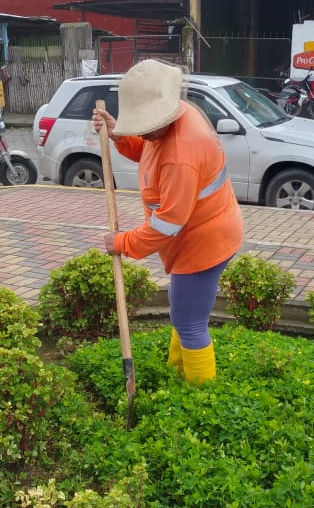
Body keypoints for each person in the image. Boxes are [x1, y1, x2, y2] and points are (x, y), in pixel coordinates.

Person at [91, 59, 244, 384]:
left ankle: (200, 394)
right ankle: (178, 372)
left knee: (190, 321)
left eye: (143, 126)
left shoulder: (181, 154)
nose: (141, 132)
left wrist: (122, 243)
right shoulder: (177, 115)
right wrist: (119, 136)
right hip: (205, 233)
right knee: (183, 309)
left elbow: (167, 224)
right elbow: (150, 151)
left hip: (203, 243)